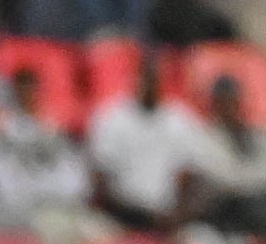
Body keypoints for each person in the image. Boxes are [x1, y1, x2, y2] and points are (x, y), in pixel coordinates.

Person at [85, 51, 209, 230]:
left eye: (156, 77)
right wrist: (137, 215)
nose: (151, 83)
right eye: (146, 76)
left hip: (170, 217)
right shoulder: (111, 117)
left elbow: (195, 177)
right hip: (121, 216)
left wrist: (179, 214)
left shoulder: (182, 120)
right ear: (135, 78)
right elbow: (100, 179)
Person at [0, 67, 96, 244]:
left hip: (61, 208)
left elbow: (76, 179)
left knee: (101, 239)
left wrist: (64, 199)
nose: (29, 94)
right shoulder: (1, 132)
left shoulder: (54, 130)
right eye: (23, 89)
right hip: (18, 215)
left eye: (32, 88)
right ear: (14, 92)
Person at [187, 72, 266, 240]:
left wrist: (259, 181)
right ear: (214, 105)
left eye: (234, 101)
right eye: (224, 102)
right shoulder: (204, 138)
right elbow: (227, 180)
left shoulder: (262, 134)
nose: (230, 108)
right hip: (231, 212)